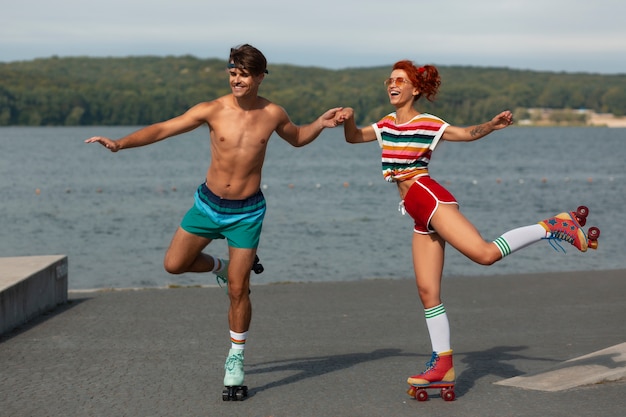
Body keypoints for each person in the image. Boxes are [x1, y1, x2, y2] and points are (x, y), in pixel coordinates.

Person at [86, 44, 343, 395]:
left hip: (247, 213)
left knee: (239, 289)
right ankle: (220, 266)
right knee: (174, 264)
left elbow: (297, 137)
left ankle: (236, 359)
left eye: (245, 74)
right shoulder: (213, 109)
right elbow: (164, 129)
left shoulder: (273, 113)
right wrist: (120, 144)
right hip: (207, 206)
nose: (237, 79)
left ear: (260, 77)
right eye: (233, 72)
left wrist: (321, 124)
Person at [336, 60, 599, 392]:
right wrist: (349, 117)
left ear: (415, 89)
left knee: (485, 254)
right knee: (428, 292)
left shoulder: (426, 122)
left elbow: (462, 134)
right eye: (390, 80)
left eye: (400, 81)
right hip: (416, 211)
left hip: (428, 197)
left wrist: (489, 125)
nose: (392, 84)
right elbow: (353, 137)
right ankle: (442, 363)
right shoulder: (386, 124)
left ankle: (553, 226)